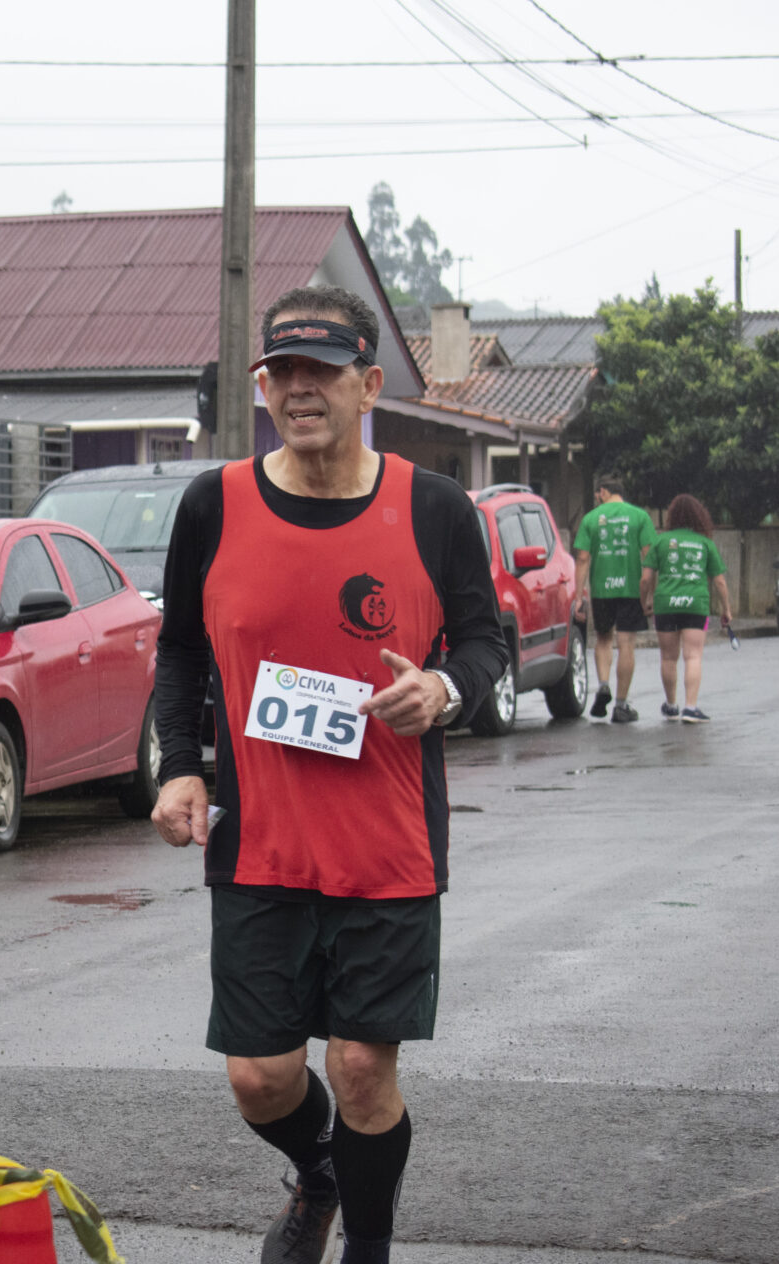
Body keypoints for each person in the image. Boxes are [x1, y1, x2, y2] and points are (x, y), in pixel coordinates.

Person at [149, 285, 508, 1264]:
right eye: (282, 372)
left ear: (369, 383)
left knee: (359, 1063)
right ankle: (321, 1176)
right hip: (259, 841)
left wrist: (443, 687)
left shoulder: (432, 508)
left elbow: (485, 641)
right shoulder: (211, 505)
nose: (300, 389)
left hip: (387, 845)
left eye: (322, 371)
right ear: (263, 386)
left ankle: (369, 1244)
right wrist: (181, 767)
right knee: (261, 1076)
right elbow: (179, 651)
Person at [571, 476, 656, 724]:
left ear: (605, 492)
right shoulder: (640, 517)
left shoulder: (590, 519)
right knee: (626, 643)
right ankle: (620, 705)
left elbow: (583, 559)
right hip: (631, 589)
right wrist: (649, 594)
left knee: (603, 639)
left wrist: (579, 597)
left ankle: (604, 685)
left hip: (601, 590)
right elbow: (649, 557)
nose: (597, 499)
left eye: (598, 495)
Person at [640, 494, 732, 723]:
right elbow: (719, 581)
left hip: (665, 605)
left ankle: (671, 706)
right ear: (698, 516)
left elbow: (645, 578)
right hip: (695, 605)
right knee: (693, 657)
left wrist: (645, 601)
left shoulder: (661, 542)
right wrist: (726, 609)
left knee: (668, 658)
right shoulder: (705, 543)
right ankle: (690, 708)